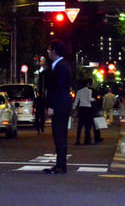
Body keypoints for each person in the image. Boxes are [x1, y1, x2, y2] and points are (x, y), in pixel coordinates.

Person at [43, 39, 72, 174]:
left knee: (59, 135)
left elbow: (58, 88)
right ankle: (60, 165)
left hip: (60, 105)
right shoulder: (59, 65)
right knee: (59, 135)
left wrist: (52, 106)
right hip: (62, 105)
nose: (48, 52)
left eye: (49, 50)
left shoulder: (61, 67)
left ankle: (61, 166)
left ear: (54, 51)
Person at [73, 78, 95, 145]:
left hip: (81, 108)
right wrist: (94, 99)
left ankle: (78, 140)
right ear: (88, 84)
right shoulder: (89, 91)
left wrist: (73, 108)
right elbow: (89, 99)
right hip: (88, 108)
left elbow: (76, 101)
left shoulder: (79, 91)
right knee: (87, 126)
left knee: (80, 125)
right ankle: (87, 141)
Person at [34, 56, 48, 134]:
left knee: (40, 115)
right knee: (39, 115)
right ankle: (39, 128)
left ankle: (40, 128)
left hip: (41, 101)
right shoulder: (39, 73)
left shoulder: (43, 74)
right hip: (40, 101)